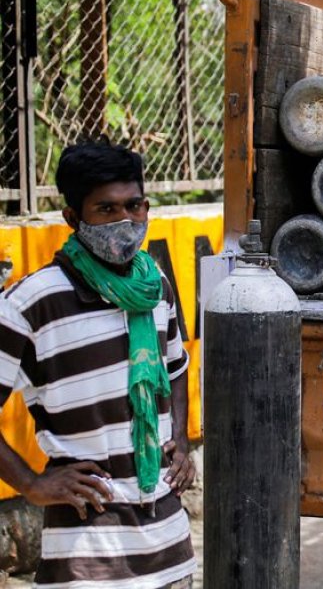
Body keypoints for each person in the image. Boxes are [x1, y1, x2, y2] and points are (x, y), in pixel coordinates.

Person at [0, 140, 196, 588]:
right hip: (88, 555)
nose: (125, 222)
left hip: (168, 542)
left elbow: (177, 368)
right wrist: (31, 484)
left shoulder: (154, 284)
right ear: (73, 219)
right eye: (105, 210)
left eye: (134, 206)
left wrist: (180, 441)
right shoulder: (31, 304)